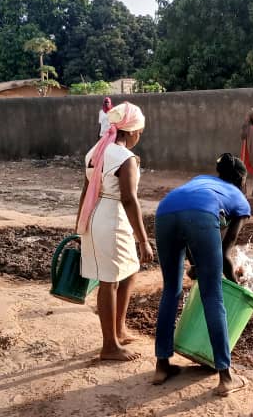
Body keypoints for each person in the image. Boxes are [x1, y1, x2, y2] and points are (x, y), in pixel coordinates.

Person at [151, 153, 251, 396]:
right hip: (199, 216)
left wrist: (198, 265)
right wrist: (236, 283)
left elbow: (192, 232)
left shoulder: (201, 180)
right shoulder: (239, 198)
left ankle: (161, 366)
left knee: (171, 291)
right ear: (241, 179)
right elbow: (225, 252)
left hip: (164, 212)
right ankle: (225, 376)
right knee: (212, 296)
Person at [76, 102, 153, 362]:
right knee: (109, 281)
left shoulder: (95, 152)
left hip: (98, 214)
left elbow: (85, 192)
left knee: (128, 271)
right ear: (130, 131)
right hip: (111, 217)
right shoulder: (124, 158)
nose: (139, 136)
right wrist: (143, 240)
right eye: (139, 132)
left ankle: (118, 330)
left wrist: (80, 225)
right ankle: (109, 345)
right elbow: (130, 199)